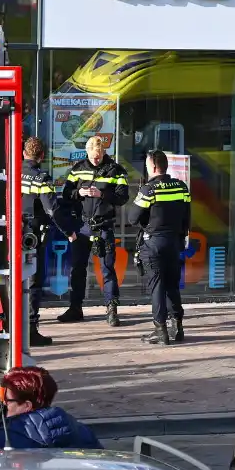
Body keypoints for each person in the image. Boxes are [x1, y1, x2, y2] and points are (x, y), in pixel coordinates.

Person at [59, 135, 129, 325]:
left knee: (107, 269)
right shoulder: (78, 168)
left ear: (103, 152)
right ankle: (75, 308)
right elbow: (65, 194)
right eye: (92, 156)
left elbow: (123, 197)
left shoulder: (115, 170)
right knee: (77, 269)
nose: (95, 159)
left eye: (98, 156)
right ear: (88, 152)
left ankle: (112, 309)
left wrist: (102, 194)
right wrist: (78, 193)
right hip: (82, 226)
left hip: (103, 225)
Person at [127, 150, 191, 344]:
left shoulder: (149, 189)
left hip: (154, 243)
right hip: (174, 242)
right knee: (172, 284)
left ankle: (160, 329)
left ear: (153, 167)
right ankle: (177, 328)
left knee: (157, 285)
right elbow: (186, 217)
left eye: (147, 165)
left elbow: (132, 218)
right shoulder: (181, 187)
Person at [21, 136, 72, 346]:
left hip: (14, 231)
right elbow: (52, 208)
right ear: (42, 156)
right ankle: (31, 330)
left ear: (24, 153)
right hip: (32, 234)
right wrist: (69, 230)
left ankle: (14, 326)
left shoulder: (14, 172)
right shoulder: (41, 178)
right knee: (33, 280)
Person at [0, 366, 103, 450]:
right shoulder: (83, 432)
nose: (3, 405)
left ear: (27, 406)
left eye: (6, 401)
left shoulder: (1, 442)